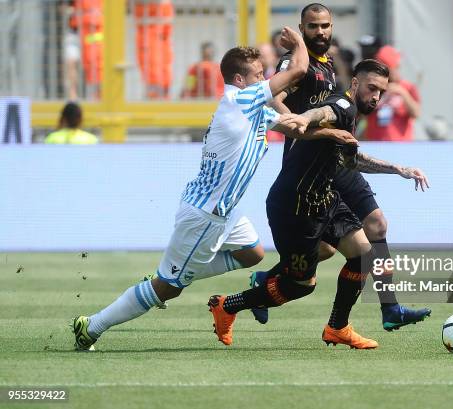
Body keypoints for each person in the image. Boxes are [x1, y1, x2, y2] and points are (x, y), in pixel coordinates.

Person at [71, 27, 356, 351]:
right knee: (169, 289)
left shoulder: (253, 109)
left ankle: (173, 271)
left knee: (252, 253)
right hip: (206, 214)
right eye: (258, 74)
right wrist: (300, 44)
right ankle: (92, 326)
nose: (264, 79)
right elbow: (299, 70)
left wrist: (331, 135)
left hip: (225, 212)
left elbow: (294, 125)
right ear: (238, 79)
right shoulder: (239, 100)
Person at [208, 59, 429, 349]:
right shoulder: (343, 106)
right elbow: (324, 111)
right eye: (371, 88)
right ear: (354, 84)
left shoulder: (351, 115)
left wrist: (398, 169)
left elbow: (353, 160)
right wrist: (305, 118)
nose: (375, 96)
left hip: (324, 198)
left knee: (363, 253)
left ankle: (338, 327)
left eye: (380, 91)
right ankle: (228, 305)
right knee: (299, 286)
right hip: (295, 206)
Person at [251, 2, 431, 333]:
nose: (321, 31)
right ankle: (269, 283)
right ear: (302, 27)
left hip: (334, 160)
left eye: (325, 26)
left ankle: (388, 309)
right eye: (314, 26)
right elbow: (271, 98)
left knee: (361, 232)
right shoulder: (296, 63)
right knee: (331, 247)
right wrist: (298, 124)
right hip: (311, 164)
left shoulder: (328, 64)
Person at [365, 45, 421, 141]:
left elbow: (416, 113)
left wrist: (402, 93)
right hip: (374, 145)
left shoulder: (407, 87)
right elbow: (362, 113)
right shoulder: (371, 87)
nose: (398, 69)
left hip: (400, 147)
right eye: (395, 67)